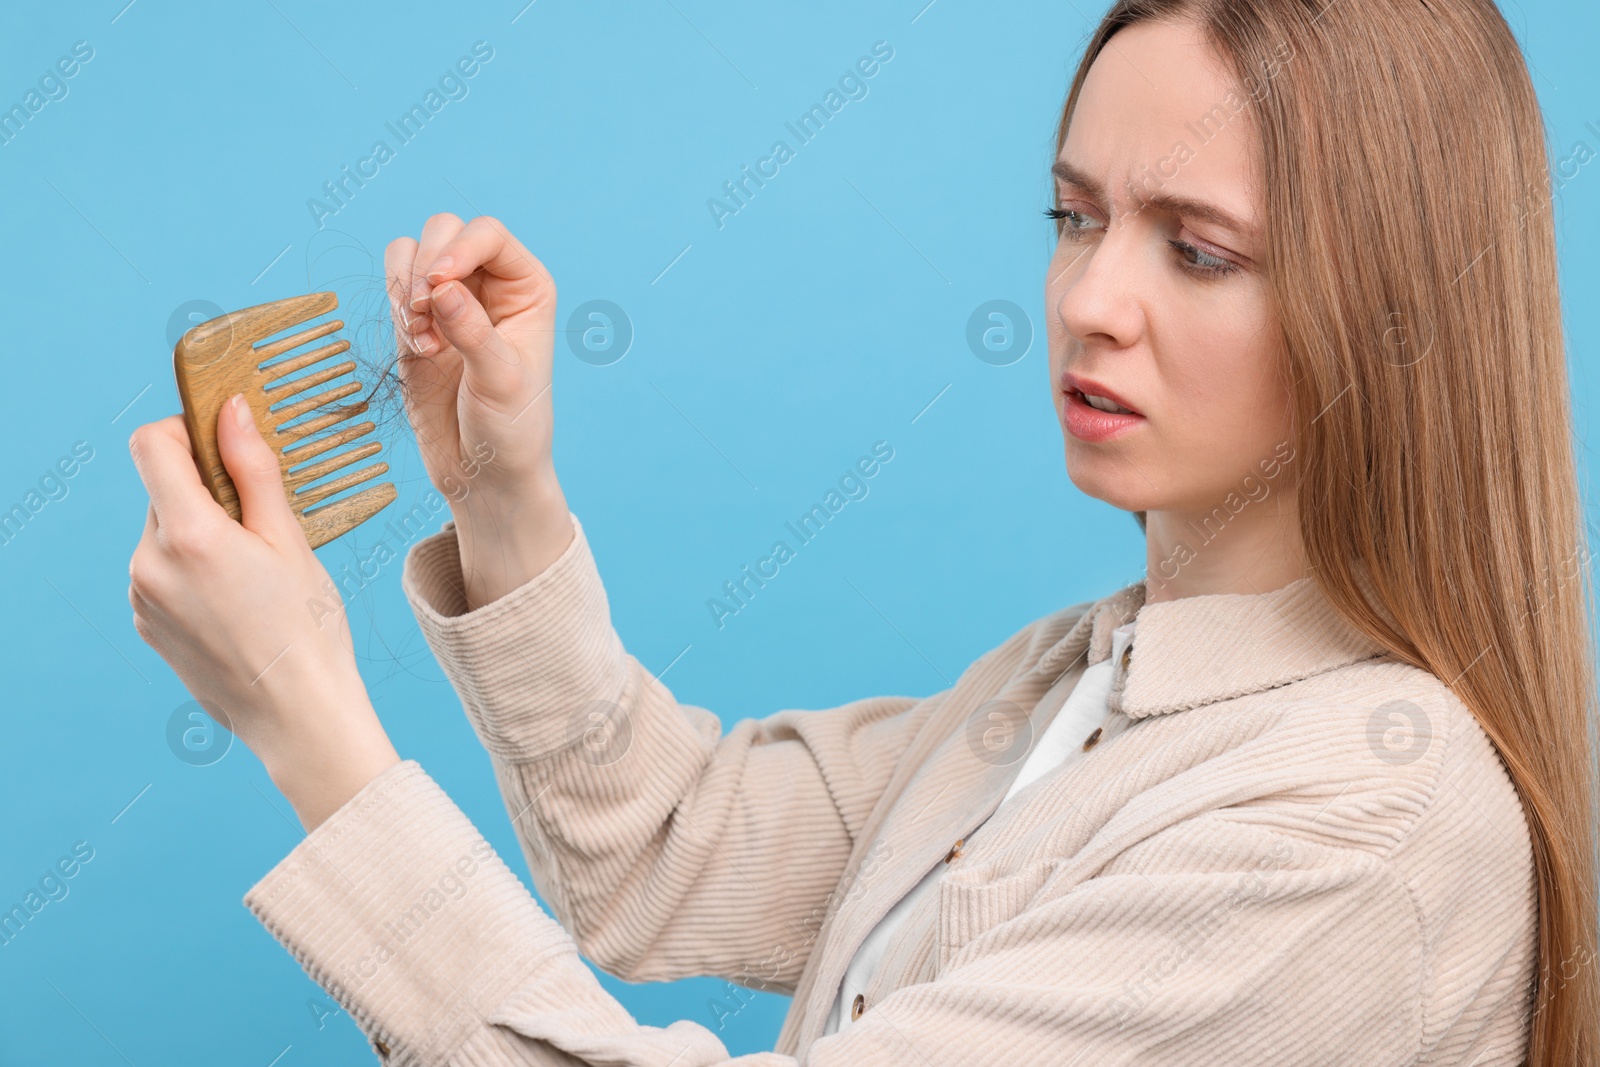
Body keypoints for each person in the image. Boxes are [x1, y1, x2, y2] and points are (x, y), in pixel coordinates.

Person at [126, 0, 1599, 1063]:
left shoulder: (1363, 827)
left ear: (1397, 313)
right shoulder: (1064, 689)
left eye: (1196, 248)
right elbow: (660, 849)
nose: (1091, 300)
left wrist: (308, 724)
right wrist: (502, 498)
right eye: (1075, 218)